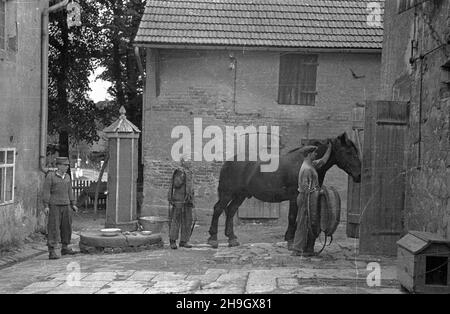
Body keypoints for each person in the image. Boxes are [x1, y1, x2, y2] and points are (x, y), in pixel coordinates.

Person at [291, 142, 331, 256]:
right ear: (309, 154)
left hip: (308, 197)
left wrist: (330, 149)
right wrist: (319, 191)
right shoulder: (307, 169)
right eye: (314, 153)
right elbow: (306, 188)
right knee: (303, 223)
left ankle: (305, 248)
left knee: (307, 222)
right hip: (305, 198)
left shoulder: (310, 164)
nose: (316, 154)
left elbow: (322, 161)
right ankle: (297, 249)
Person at [42, 157, 78, 260]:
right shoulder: (50, 176)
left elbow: (70, 191)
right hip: (54, 206)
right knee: (53, 227)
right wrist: (46, 205)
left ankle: (65, 247)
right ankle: (52, 250)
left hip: (66, 205)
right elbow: (46, 192)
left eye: (67, 165)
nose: (66, 167)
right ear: (58, 165)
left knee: (67, 227)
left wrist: (73, 204)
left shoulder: (67, 177)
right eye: (64, 165)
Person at [167, 158, 194, 249]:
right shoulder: (179, 172)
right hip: (179, 199)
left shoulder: (189, 172)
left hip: (187, 200)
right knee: (176, 220)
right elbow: (176, 184)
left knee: (187, 220)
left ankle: (184, 241)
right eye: (188, 161)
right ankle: (172, 241)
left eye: (190, 161)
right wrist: (181, 177)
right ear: (183, 162)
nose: (190, 162)